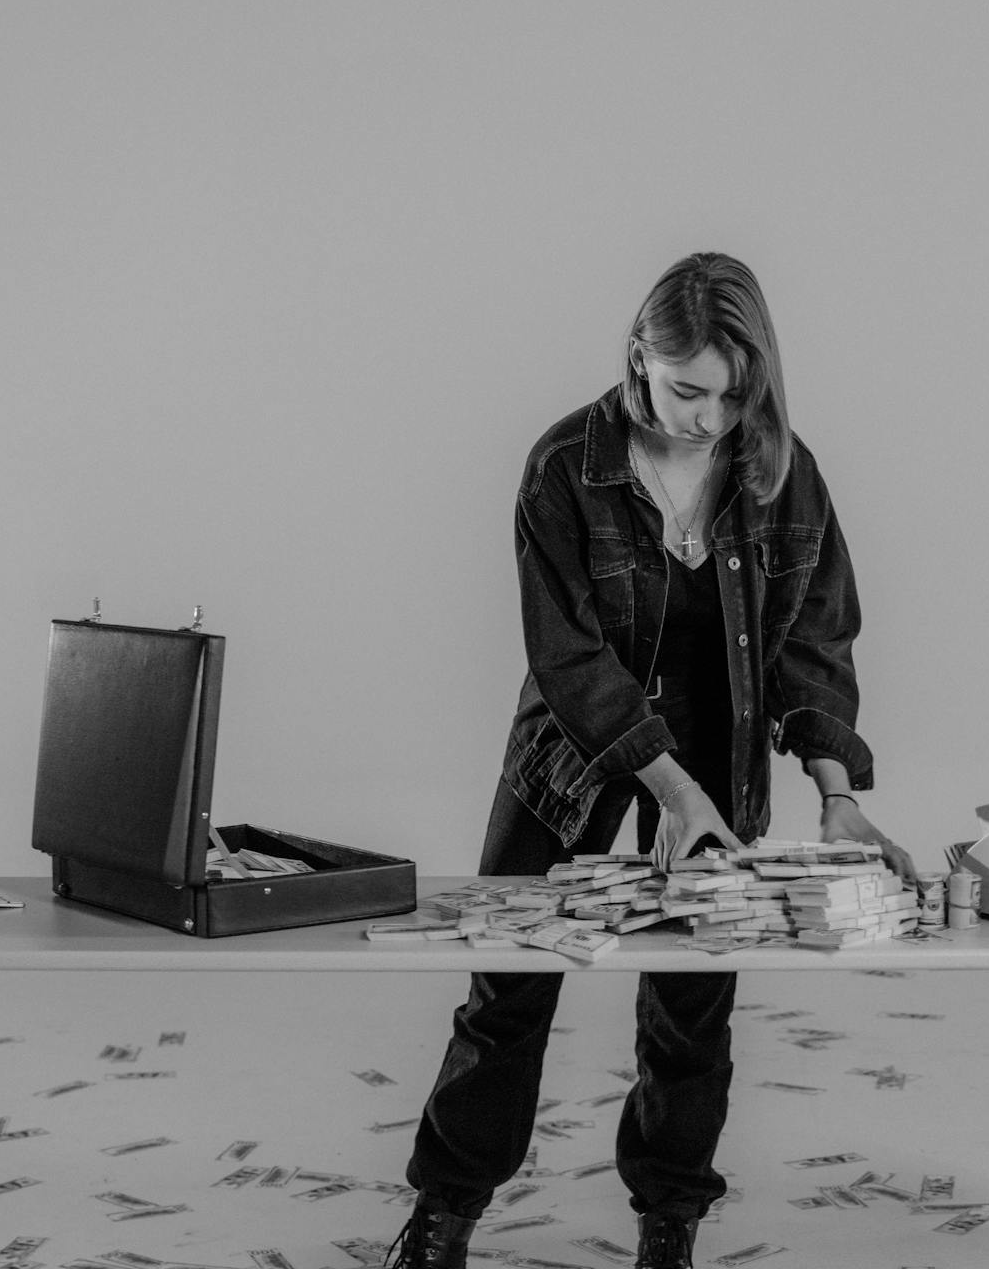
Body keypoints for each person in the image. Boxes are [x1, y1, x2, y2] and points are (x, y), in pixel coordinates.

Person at [387, 253, 919, 1269]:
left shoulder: (780, 468)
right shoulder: (562, 469)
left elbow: (816, 638)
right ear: (639, 353)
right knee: (510, 983)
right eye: (686, 389)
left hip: (721, 747)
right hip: (572, 752)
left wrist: (836, 795)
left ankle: (668, 1225)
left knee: (693, 1001)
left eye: (732, 395)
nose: (708, 420)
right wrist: (663, 786)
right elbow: (569, 656)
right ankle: (444, 1217)